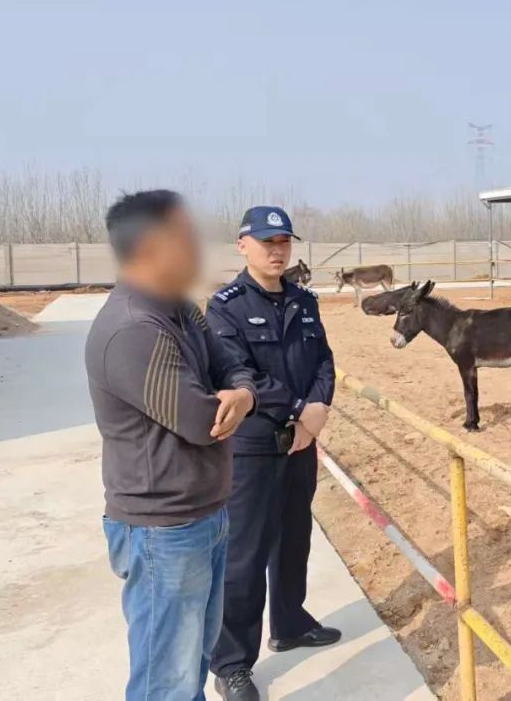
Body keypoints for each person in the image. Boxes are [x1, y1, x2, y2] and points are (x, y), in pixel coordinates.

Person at [85, 190, 258, 701]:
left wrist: (243, 393)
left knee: (193, 660)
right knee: (167, 678)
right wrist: (232, 400)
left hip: (203, 513)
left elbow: (231, 365)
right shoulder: (133, 329)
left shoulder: (179, 308)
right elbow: (204, 421)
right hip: (164, 529)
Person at [206, 206, 339, 701]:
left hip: (300, 443)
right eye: (266, 242)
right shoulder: (225, 307)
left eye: (283, 241)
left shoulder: (304, 302)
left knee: (293, 539)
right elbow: (238, 373)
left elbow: (323, 359)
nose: (276, 251)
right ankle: (232, 663)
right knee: (244, 555)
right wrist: (301, 409)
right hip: (254, 447)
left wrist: (319, 406)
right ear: (243, 245)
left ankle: (290, 623)